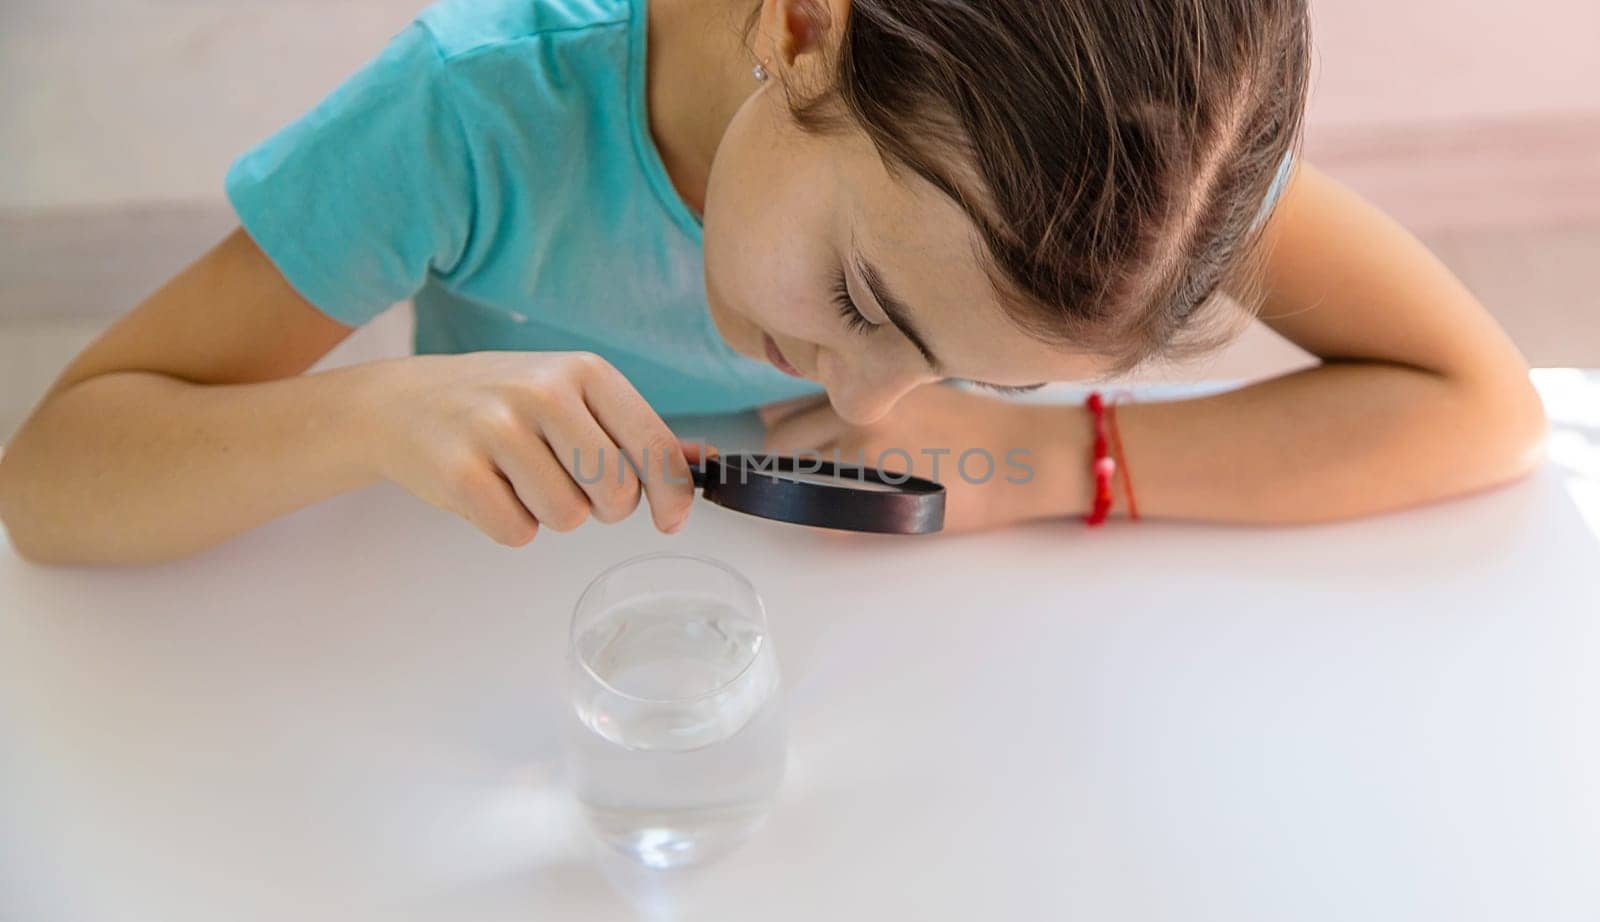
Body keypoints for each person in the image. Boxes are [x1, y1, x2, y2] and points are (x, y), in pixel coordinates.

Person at [0, 0, 1546, 564]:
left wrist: (1057, 456)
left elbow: (1485, 408)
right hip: (509, 601)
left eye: (972, 365)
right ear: (806, 29)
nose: (878, 397)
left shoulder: (1140, 179)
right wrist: (371, 416)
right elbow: (57, 476)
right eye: (868, 304)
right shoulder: (477, 116)